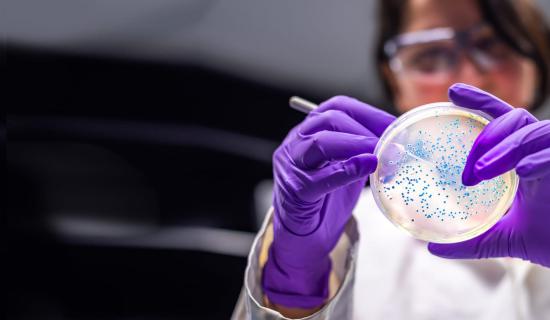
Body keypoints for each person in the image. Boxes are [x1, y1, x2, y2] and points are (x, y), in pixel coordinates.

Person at [232, 0, 550, 318]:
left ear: (538, 60)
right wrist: (297, 275)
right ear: (394, 79)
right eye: (430, 55)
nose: (468, 77)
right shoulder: (350, 223)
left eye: (493, 45)